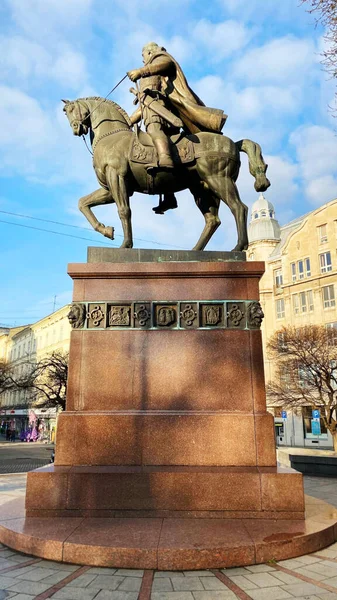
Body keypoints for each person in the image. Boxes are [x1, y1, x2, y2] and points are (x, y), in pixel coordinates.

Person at [127, 42, 227, 214]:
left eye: (143, 56)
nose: (143, 61)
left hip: (161, 112)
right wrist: (128, 121)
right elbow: (141, 108)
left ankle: (165, 159)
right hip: (153, 110)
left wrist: (141, 71)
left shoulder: (160, 61)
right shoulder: (152, 72)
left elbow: (165, 66)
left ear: (150, 52)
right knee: (155, 146)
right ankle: (169, 197)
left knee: (154, 132)